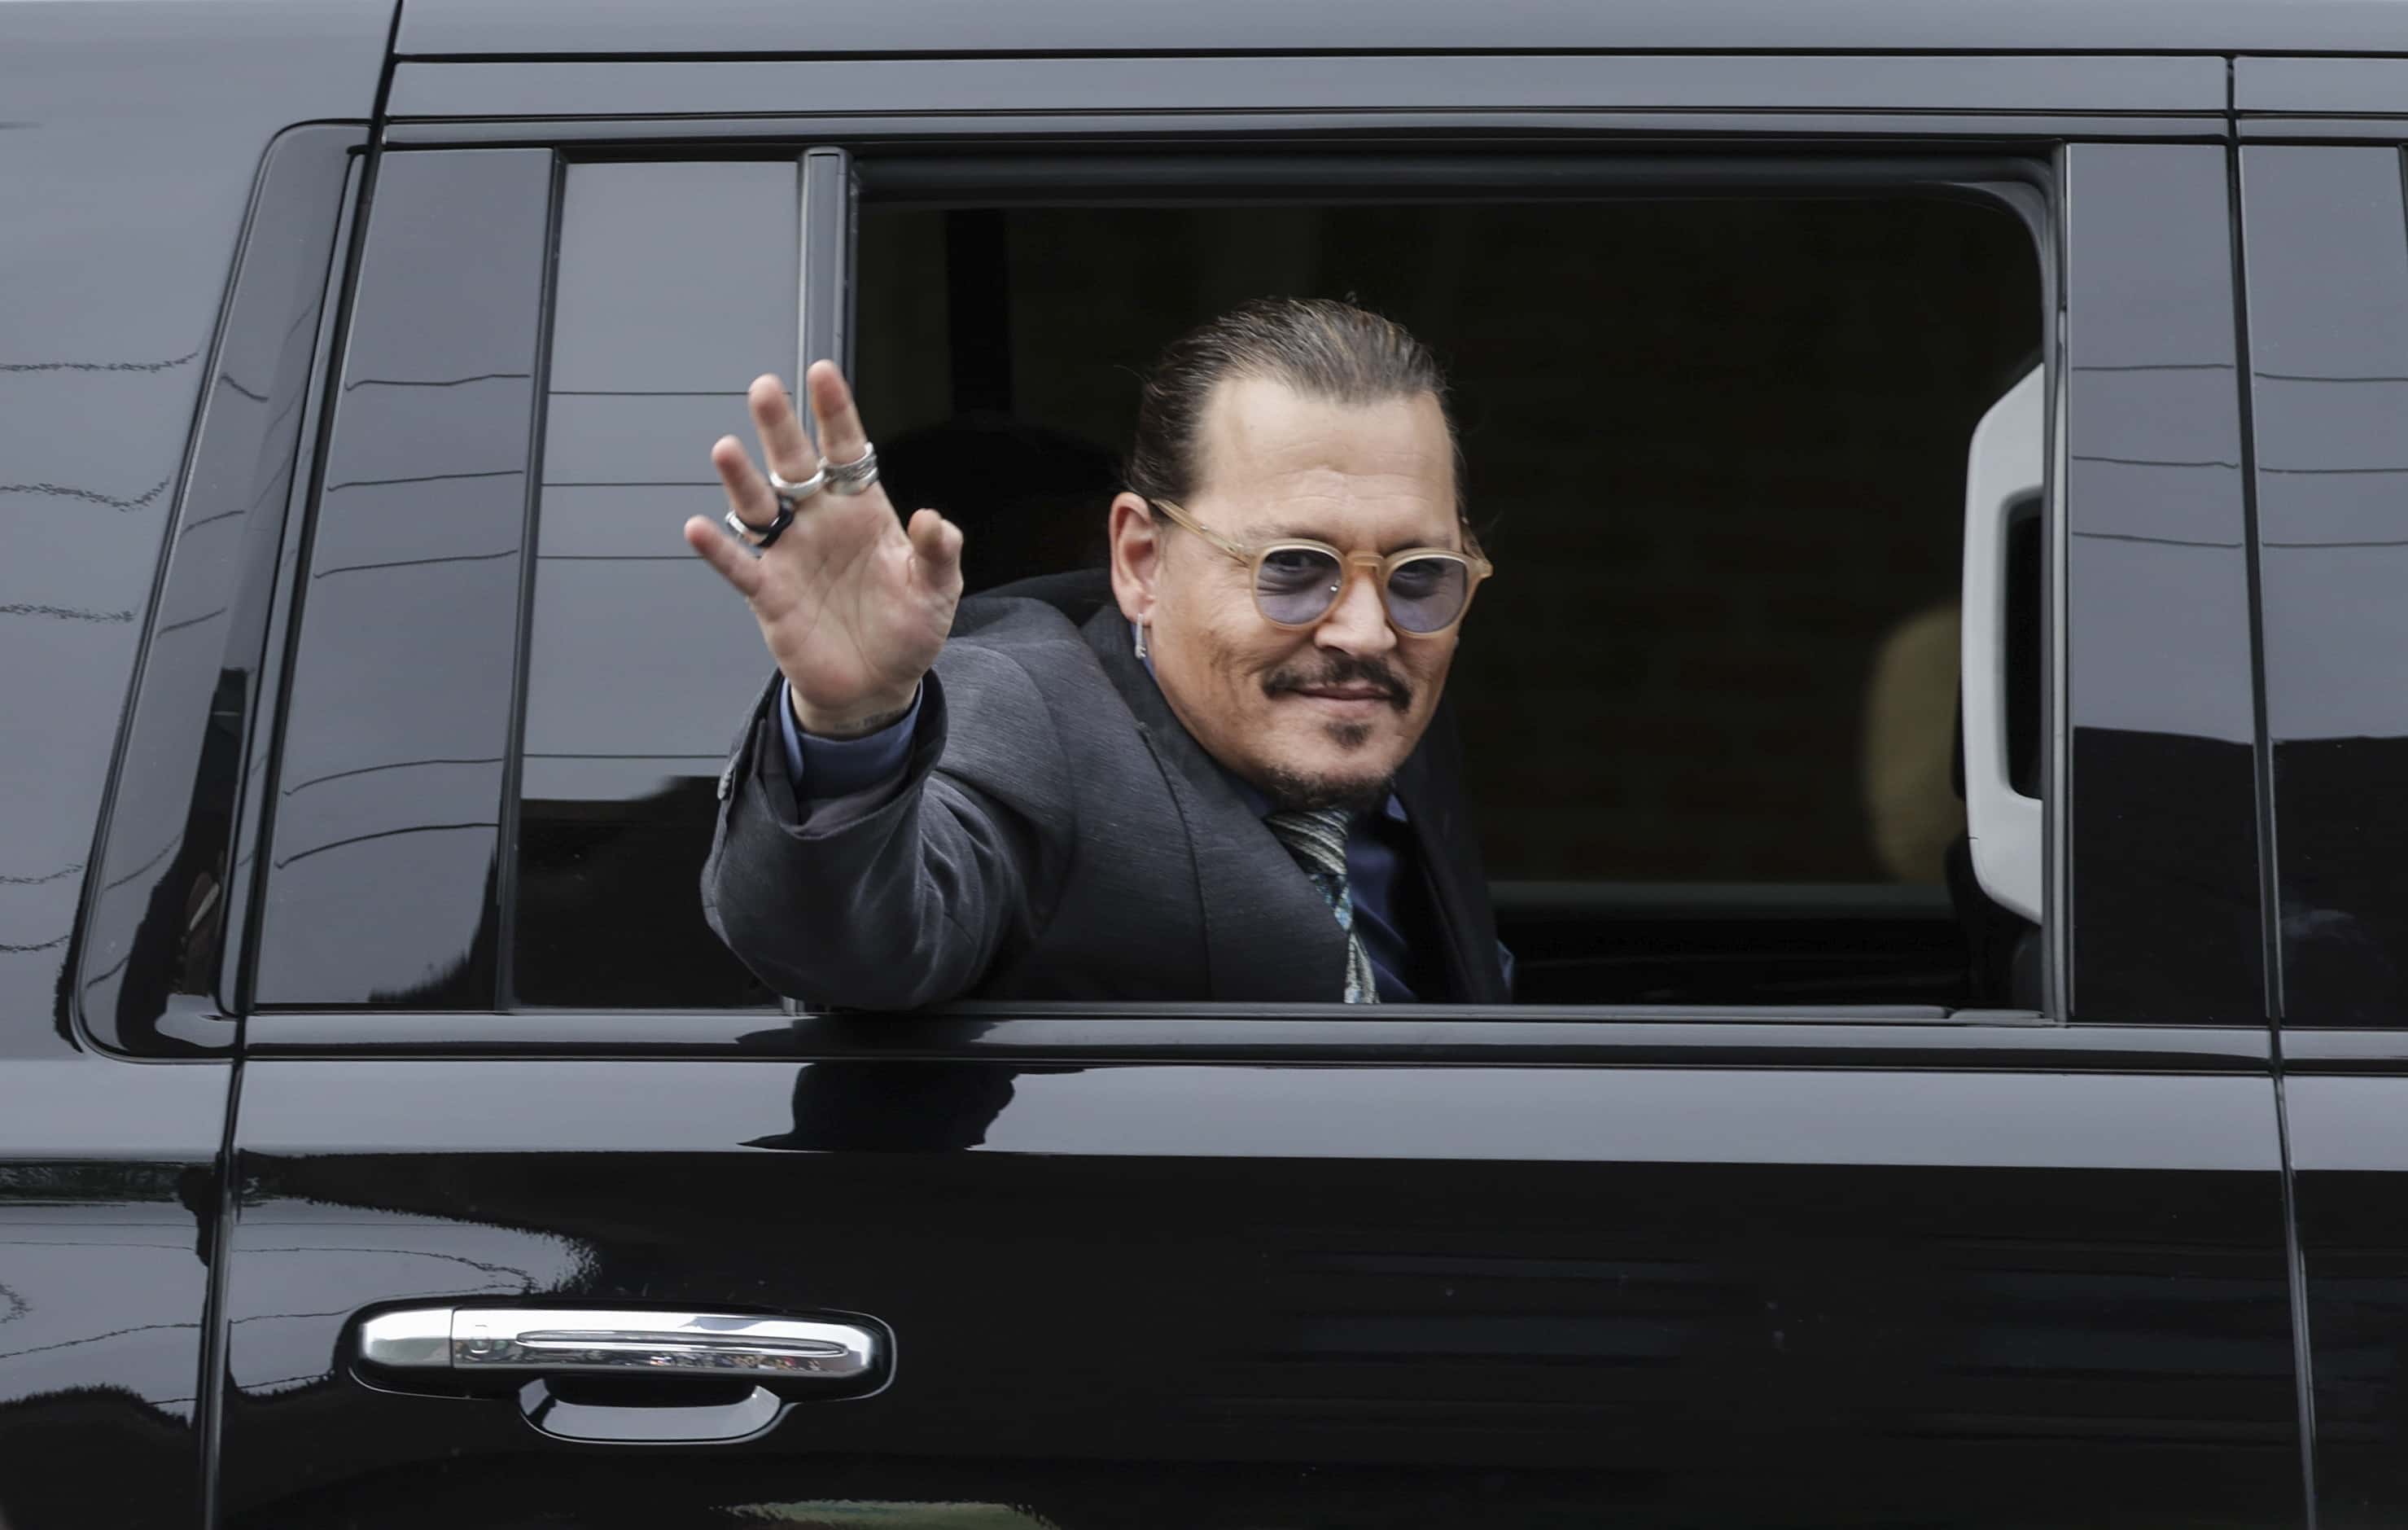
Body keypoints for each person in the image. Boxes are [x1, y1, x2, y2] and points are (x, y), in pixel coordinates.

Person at [682, 298, 1509, 1009]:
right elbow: (844, 944)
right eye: (1293, 567)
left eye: (1418, 572)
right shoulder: (1024, 713)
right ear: (1142, 561)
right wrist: (852, 723)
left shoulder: (1368, 697)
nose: (1366, 633)